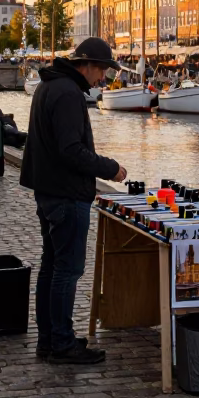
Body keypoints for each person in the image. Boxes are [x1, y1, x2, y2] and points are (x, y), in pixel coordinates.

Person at [19, 37, 125, 365]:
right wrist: (110, 168)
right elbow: (71, 150)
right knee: (67, 270)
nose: (103, 78)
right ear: (87, 65)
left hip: (48, 190)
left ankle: (49, 339)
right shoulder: (67, 93)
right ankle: (62, 344)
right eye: (102, 70)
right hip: (66, 194)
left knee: (52, 267)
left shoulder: (48, 86)